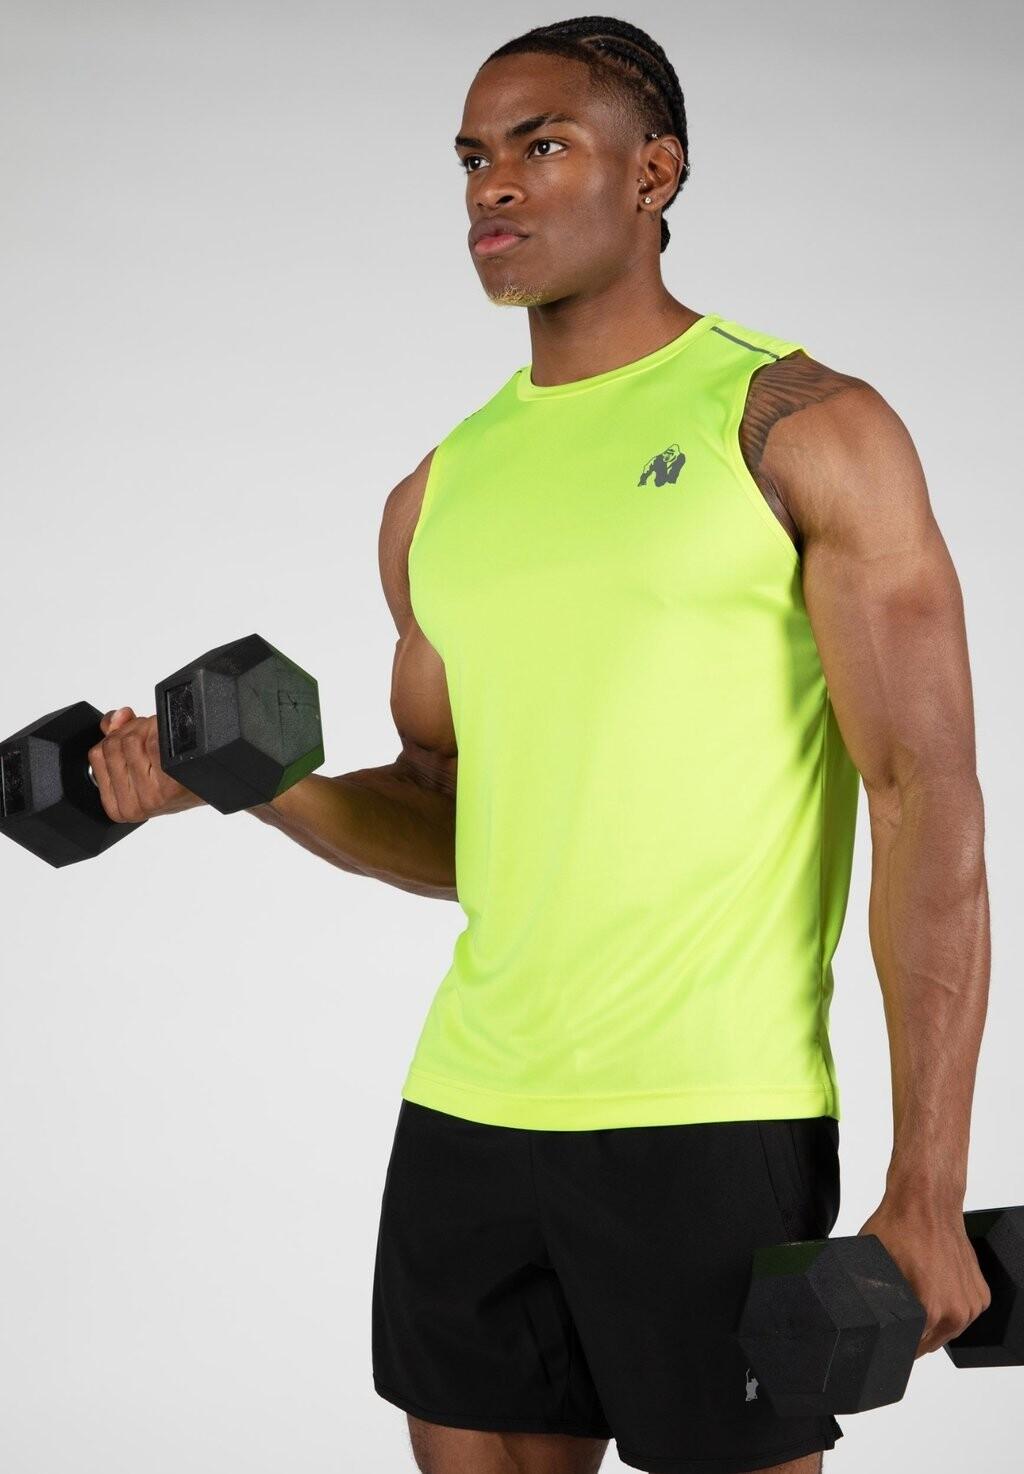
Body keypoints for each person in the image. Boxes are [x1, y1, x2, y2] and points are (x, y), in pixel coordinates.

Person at [89, 15, 993, 1474]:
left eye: (542, 145)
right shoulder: (437, 493)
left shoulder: (800, 426)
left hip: (713, 1112)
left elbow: (924, 800)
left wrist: (927, 1183)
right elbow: (452, 820)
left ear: (655, 172)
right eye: (471, 159)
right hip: (471, 1103)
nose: (491, 186)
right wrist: (253, 789)